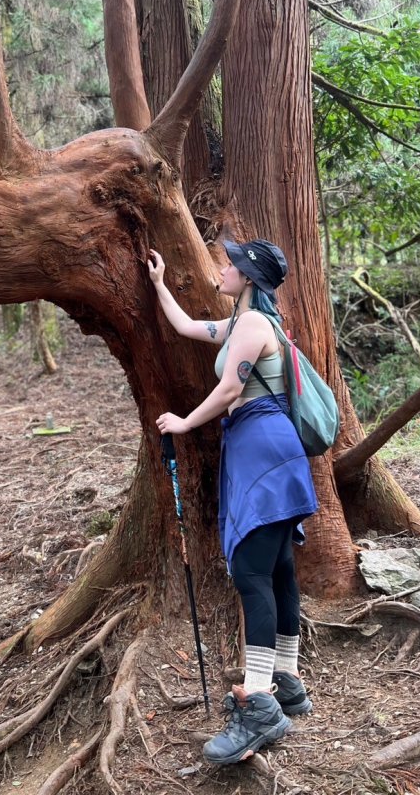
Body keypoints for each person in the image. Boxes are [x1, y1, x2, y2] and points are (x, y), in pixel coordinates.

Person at [148, 239, 319, 766]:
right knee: (279, 569)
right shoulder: (242, 323)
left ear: (248, 277)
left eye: (231, 264)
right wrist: (157, 285)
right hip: (266, 448)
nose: (222, 268)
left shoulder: (252, 327)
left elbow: (227, 391)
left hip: (262, 448)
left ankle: (260, 701)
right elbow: (185, 328)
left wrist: (183, 422)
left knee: (250, 572)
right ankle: (286, 680)